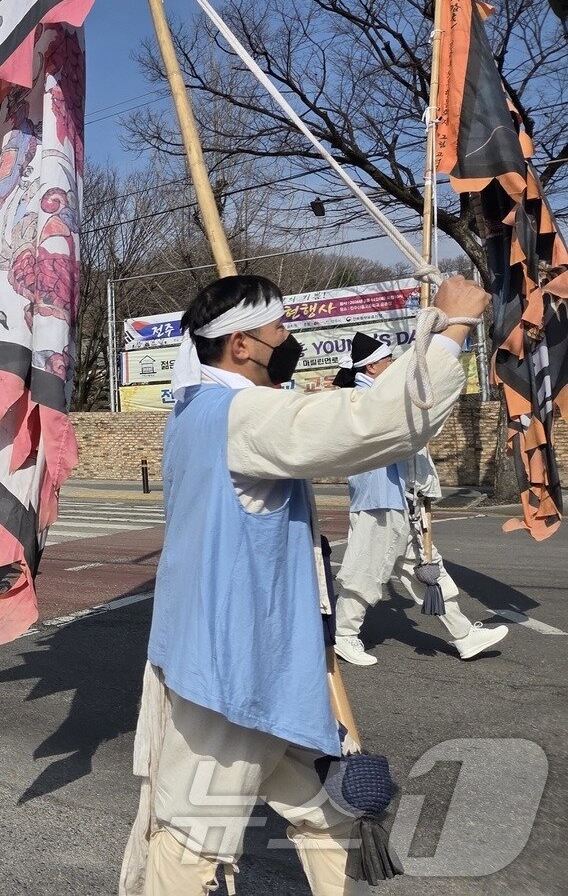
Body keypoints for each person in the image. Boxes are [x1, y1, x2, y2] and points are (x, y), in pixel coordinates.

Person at [117, 274, 489, 896]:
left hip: (255, 653)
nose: (288, 339)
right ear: (240, 345)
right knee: (194, 831)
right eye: (277, 329)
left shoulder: (195, 408)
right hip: (232, 665)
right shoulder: (241, 413)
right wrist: (450, 329)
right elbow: (371, 422)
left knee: (324, 807)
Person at [332, 332, 508, 666]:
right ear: (371, 368)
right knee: (367, 569)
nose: (393, 365)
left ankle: (464, 635)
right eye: (388, 361)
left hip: (401, 497)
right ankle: (343, 635)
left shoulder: (381, 395)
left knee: (427, 567)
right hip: (379, 500)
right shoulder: (361, 399)